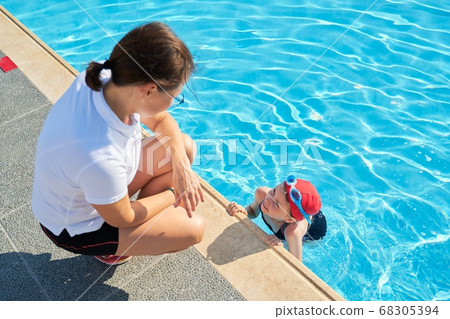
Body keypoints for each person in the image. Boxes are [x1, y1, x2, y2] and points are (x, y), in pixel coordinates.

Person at [32, 22, 205, 265]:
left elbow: (162, 120)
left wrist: (181, 167)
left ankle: (129, 216)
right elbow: (123, 217)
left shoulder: (107, 78)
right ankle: (111, 249)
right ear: (148, 91)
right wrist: (174, 193)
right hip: (75, 227)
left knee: (183, 149)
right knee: (194, 228)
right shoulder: (99, 154)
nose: (172, 103)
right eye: (175, 97)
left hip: (92, 188)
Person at [226, 175, 327, 262]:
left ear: (289, 219)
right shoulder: (262, 194)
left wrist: (282, 247)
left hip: (314, 229)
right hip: (297, 213)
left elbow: (296, 263)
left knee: (292, 242)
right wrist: (244, 211)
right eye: (274, 191)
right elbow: (253, 211)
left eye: (277, 204)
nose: (269, 199)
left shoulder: (292, 232)